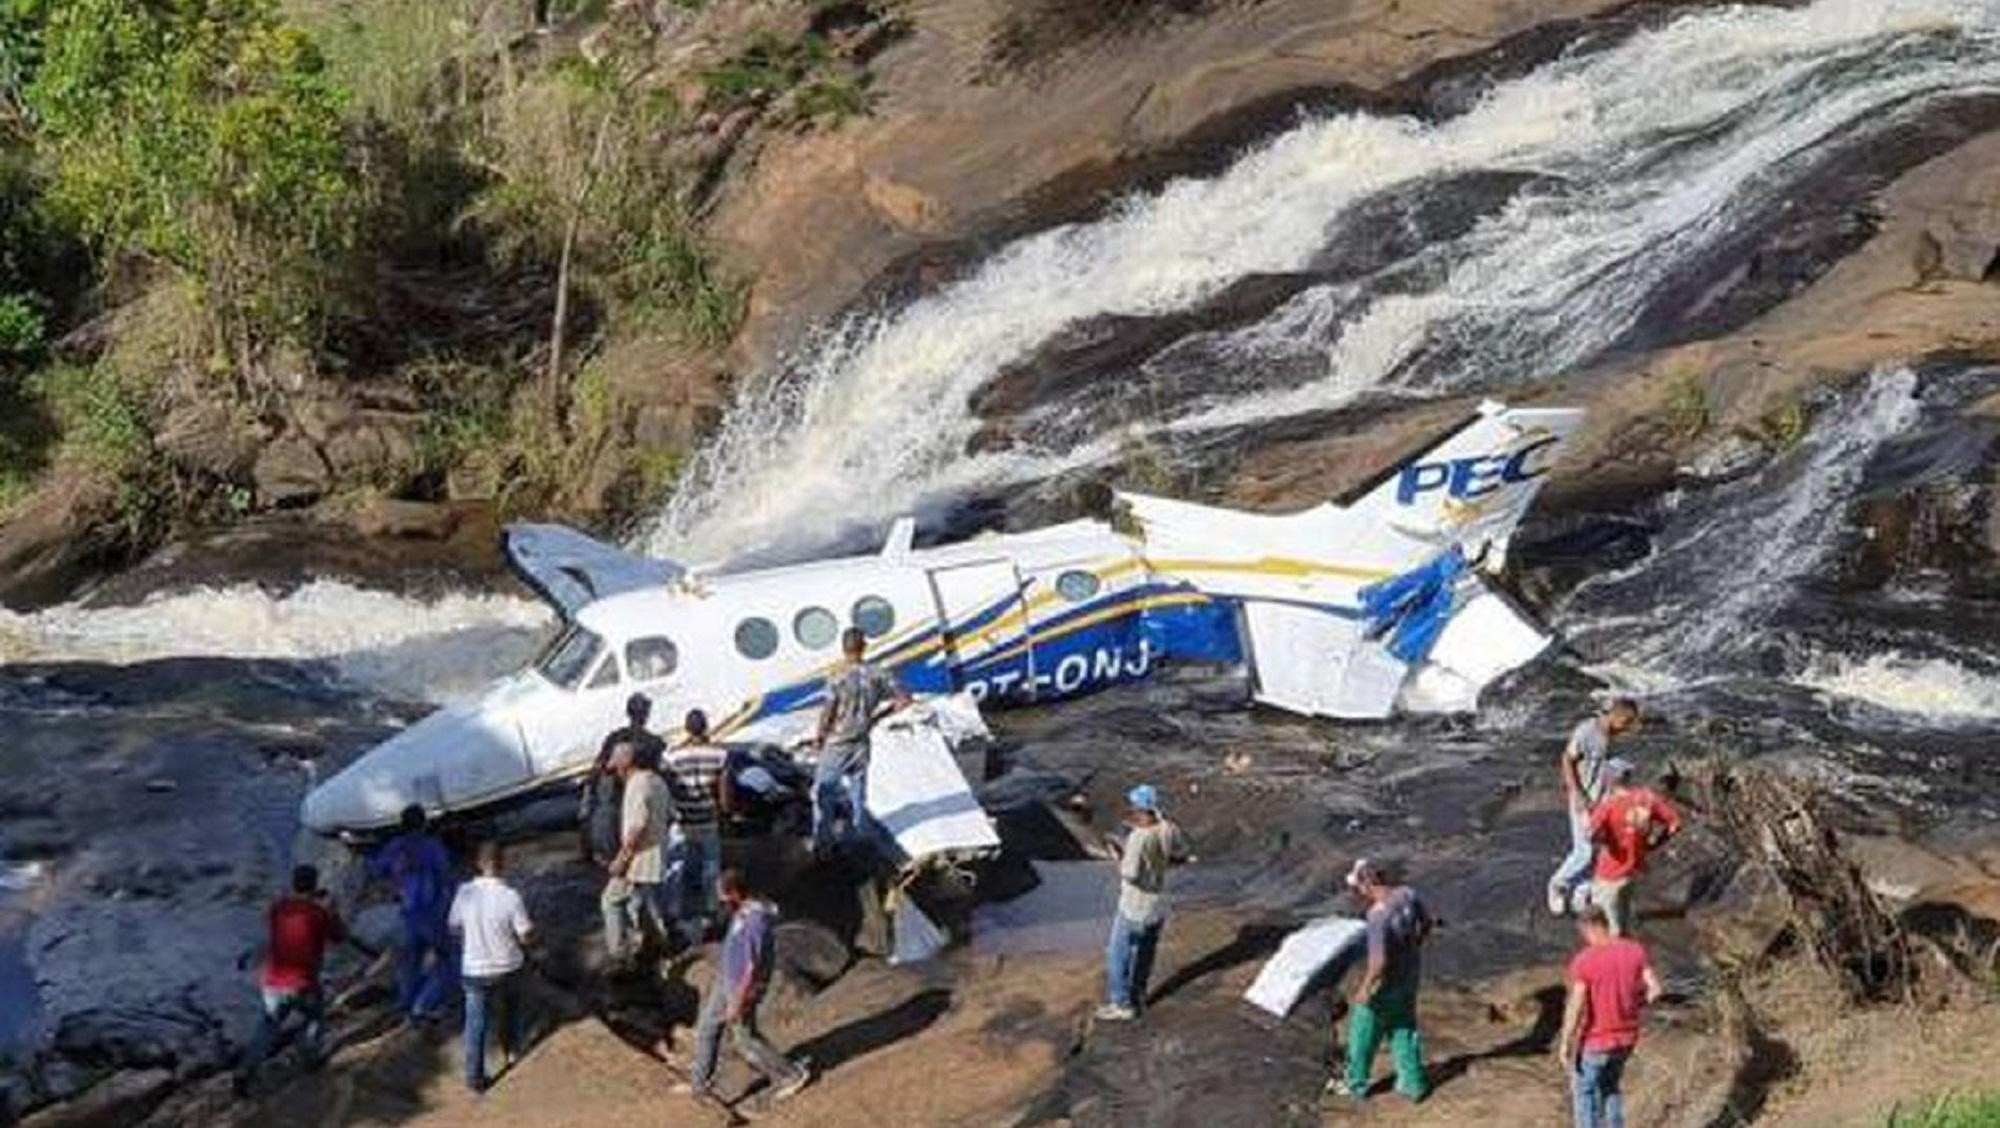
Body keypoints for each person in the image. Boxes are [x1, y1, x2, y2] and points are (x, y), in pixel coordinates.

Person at [675, 869, 812, 1105]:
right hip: (727, 979)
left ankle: (791, 1075)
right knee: (708, 1026)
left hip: (742, 986)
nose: (720, 900)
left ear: (736, 892)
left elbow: (752, 967)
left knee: (745, 1038)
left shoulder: (756, 920)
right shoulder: (743, 910)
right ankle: (699, 1083)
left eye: (723, 894)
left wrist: (738, 1000)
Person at [234, 864, 368, 1095]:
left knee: (267, 1026)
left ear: (293, 883)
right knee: (315, 1018)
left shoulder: (278, 909)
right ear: (315, 885)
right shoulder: (318, 914)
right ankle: (309, 1057)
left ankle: (245, 1070)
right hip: (302, 981)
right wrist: (332, 910)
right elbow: (339, 937)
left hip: (272, 981)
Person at [1332, 858, 1433, 1103]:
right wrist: (1413, 948)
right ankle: (1413, 1085)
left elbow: (1378, 962)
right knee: (1404, 1029)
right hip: (1409, 976)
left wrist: (1365, 989)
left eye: (1357, 887)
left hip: (1384, 985)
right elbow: (1427, 923)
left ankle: (1354, 1084)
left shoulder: (1377, 916)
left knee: (1362, 1033)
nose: (1357, 892)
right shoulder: (1408, 894)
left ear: (1368, 884)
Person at [1558, 904, 1664, 1128]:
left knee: (1585, 1094)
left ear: (1587, 928)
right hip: (1627, 1037)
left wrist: (1566, 1040)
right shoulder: (1635, 950)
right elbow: (1656, 990)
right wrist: (1637, 1004)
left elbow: (1576, 1004)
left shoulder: (1584, 961)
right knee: (1610, 1087)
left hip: (1596, 1040)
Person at [1095, 783, 1191, 1022]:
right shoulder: (1169, 828)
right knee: (1146, 952)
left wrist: (1117, 855)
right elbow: (1181, 855)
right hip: (1158, 904)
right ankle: (1138, 996)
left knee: (1118, 954)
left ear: (1139, 809)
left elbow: (1129, 874)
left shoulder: (1139, 838)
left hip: (1134, 905)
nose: (1131, 812)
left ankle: (1120, 1004)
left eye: (1133, 808)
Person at [811, 627, 911, 855]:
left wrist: (819, 737)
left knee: (823, 794)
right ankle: (857, 839)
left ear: (843, 648)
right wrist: (877, 717)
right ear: (864, 646)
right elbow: (904, 699)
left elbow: (828, 711)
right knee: (858, 793)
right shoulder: (878, 673)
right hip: (862, 741)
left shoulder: (836, 677)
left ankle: (823, 844)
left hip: (837, 743)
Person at [449, 841, 536, 1094]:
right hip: (507, 966)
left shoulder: (464, 893)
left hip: (475, 970)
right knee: (511, 1009)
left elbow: (453, 928)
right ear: (503, 864)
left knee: (476, 1022)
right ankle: (511, 1051)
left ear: (478, 863)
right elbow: (525, 934)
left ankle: (474, 1078)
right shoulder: (510, 896)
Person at [1547, 699, 1641, 916]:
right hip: (1583, 800)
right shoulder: (1586, 732)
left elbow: (1608, 764)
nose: (1626, 729)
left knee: (1598, 852)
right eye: (1626, 724)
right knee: (1584, 851)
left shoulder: (1612, 736)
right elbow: (1566, 760)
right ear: (1617, 717)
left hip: (1602, 802)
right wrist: (1577, 794)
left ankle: (1581, 896)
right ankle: (1558, 884)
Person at [367, 804, 456, 1022]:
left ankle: (406, 1005)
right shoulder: (432, 846)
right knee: (448, 959)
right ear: (423, 823)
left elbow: (377, 869)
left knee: (410, 962)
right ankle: (425, 1004)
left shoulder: (395, 847)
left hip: (407, 912)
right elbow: (445, 875)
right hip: (432, 911)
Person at [1587, 759, 1683, 937]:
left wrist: (1606, 839)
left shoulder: (1608, 805)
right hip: (1632, 870)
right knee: (1623, 921)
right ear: (1628, 777)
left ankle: (1616, 961)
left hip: (1609, 872)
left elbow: (1591, 834)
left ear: (1609, 779)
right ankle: (1625, 954)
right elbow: (1675, 824)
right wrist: (1654, 844)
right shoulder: (1647, 798)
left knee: (1605, 928)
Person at [604, 739, 675, 966]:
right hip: (656, 856)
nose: (615, 771)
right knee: (646, 905)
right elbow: (670, 815)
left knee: (611, 901)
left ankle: (619, 956)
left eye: (616, 766)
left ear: (627, 762)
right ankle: (661, 947)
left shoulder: (637, 784)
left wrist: (621, 860)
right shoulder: (657, 781)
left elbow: (637, 827)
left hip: (639, 861)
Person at [665, 709, 731, 944]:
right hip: (707, 818)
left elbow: (671, 787)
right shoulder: (720, 754)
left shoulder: (673, 756)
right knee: (710, 867)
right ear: (706, 727)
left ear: (687, 729)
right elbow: (723, 792)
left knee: (676, 868)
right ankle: (711, 912)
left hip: (683, 819)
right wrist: (725, 815)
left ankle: (672, 913)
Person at [581, 694, 665, 865]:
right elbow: (658, 775)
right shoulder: (654, 743)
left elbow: (598, 767)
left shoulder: (615, 738)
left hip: (614, 797)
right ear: (647, 714)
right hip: (639, 798)